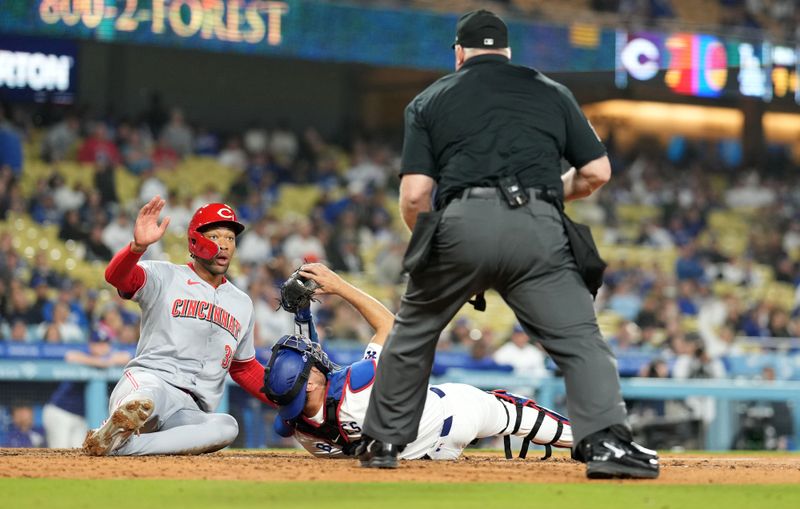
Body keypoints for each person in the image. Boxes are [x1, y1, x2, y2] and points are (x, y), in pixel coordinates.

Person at [359, 9, 659, 478]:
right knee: (581, 340)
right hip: (537, 224)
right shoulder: (552, 91)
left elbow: (416, 193)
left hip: (461, 222)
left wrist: (434, 242)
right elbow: (597, 172)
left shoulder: (429, 99)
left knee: (414, 331)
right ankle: (605, 445)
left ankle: (383, 442)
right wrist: (542, 194)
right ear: (507, 51)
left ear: (459, 53)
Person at [259, 264, 572, 461]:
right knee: (512, 414)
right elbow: (389, 327)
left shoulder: (302, 433)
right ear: (311, 380)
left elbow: (309, 386)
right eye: (311, 364)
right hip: (455, 413)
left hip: (429, 458)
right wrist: (340, 286)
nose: (316, 360)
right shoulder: (358, 383)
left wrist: (302, 318)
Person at [82, 196, 257, 456]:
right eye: (215, 236)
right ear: (196, 241)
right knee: (146, 399)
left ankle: (121, 446)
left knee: (227, 426)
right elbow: (117, 277)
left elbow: (245, 368)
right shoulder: (164, 275)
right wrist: (136, 248)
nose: (224, 245)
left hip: (189, 411)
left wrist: (292, 402)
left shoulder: (242, 303)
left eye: (230, 238)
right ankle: (125, 420)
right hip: (151, 379)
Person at [43, 328, 131, 449]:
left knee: (80, 453)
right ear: (90, 344)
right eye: (98, 343)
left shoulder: (112, 356)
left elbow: (126, 356)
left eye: (105, 343)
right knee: (60, 451)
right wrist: (98, 362)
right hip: (61, 412)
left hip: (81, 418)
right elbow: (70, 356)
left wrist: (105, 361)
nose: (102, 347)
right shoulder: (84, 353)